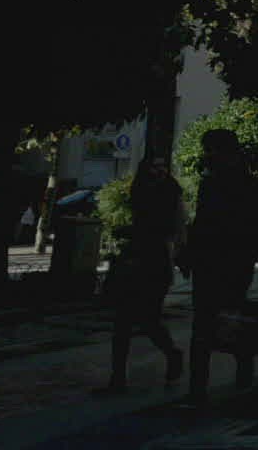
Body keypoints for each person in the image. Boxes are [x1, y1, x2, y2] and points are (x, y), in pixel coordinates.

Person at [185, 129, 258, 405]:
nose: (207, 155)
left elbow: (203, 224)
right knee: (233, 320)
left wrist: (192, 254)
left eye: (210, 149)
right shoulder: (248, 184)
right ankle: (241, 377)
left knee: (205, 327)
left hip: (215, 263)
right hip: (230, 264)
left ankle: (198, 389)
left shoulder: (214, 183)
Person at [100, 157, 186, 395]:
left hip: (156, 262)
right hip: (134, 258)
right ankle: (117, 379)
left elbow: (177, 227)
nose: (160, 170)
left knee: (149, 320)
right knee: (123, 322)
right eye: (154, 166)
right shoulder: (140, 190)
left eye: (163, 166)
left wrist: (179, 253)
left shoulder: (171, 192)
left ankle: (172, 354)